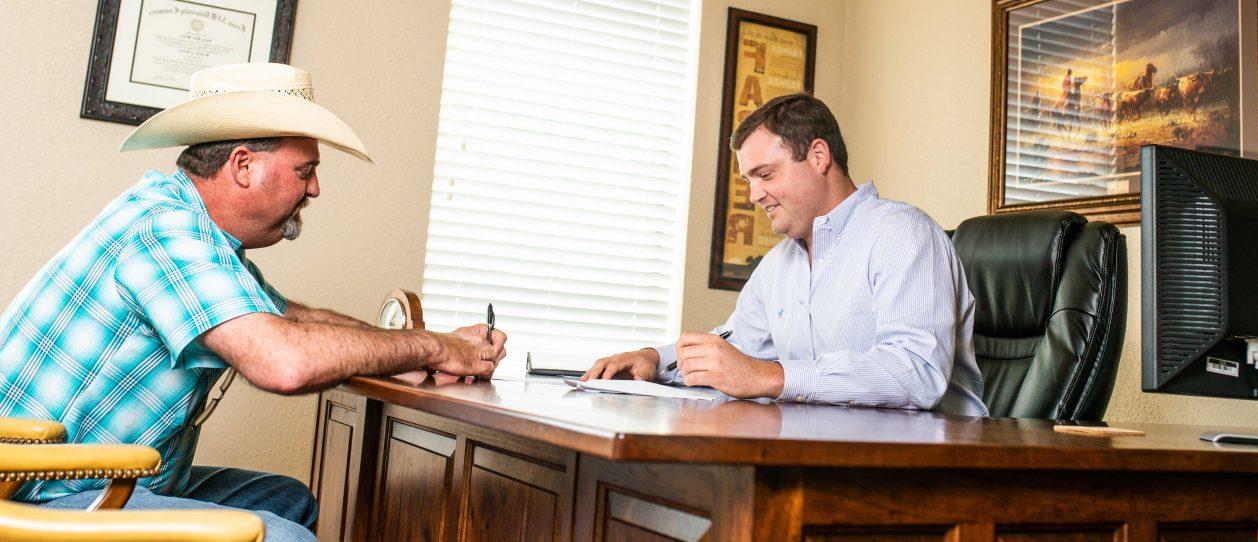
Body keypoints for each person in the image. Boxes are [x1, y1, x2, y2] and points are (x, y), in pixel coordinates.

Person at [0, 63, 506, 541]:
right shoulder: (168, 232)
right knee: (281, 536)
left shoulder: (191, 228)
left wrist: (425, 345)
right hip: (39, 495)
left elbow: (291, 318)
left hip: (97, 479)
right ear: (243, 165)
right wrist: (433, 349)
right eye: (304, 170)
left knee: (286, 500)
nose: (315, 188)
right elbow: (284, 362)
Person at [583, 93, 986, 416]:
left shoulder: (903, 235)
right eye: (749, 180)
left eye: (765, 174)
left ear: (818, 156)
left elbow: (916, 373)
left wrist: (771, 377)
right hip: (818, 456)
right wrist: (654, 359)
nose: (755, 195)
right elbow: (739, 348)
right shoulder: (780, 263)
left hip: (923, 470)